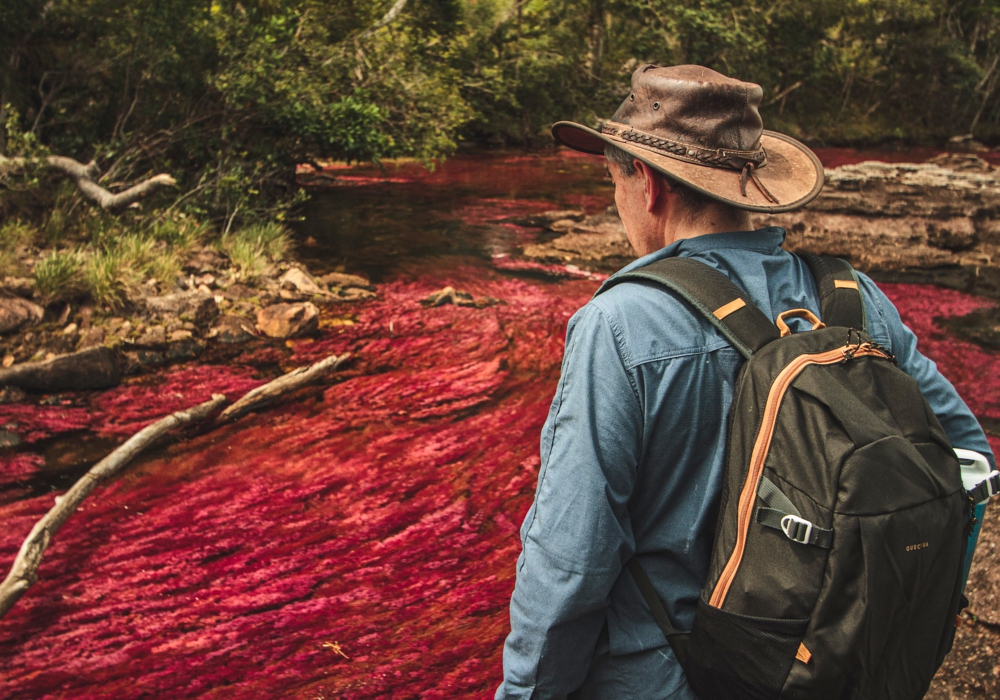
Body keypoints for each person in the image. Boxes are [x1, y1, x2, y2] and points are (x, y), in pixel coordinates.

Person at [495, 64, 995, 700]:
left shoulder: (619, 323)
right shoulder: (852, 297)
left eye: (613, 183)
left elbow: (571, 559)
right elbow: (967, 461)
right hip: (827, 669)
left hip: (663, 679)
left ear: (647, 185)